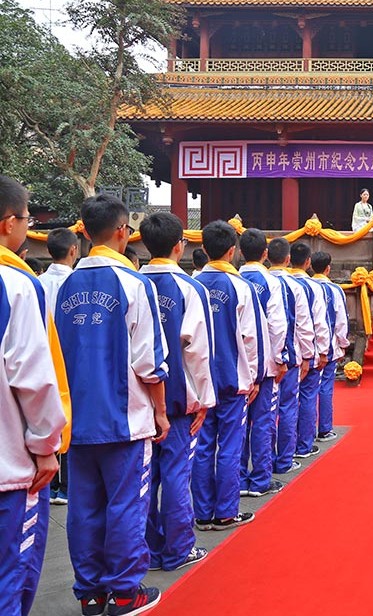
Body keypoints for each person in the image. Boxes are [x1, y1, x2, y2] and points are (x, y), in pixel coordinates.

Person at [55, 194, 169, 616]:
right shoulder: (134, 285)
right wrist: (159, 412)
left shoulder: (63, 285)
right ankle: (124, 591)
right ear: (123, 232)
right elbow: (150, 363)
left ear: (83, 231)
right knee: (125, 505)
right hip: (125, 419)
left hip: (77, 419)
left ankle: (89, 592)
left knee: (84, 506)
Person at [0, 175, 66, 616]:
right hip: (10, 465)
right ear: (9, 223)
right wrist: (47, 446)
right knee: (11, 575)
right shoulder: (17, 285)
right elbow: (33, 378)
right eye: (27, 219)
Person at [138, 212, 216, 572]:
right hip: (178, 398)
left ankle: (149, 546)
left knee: (143, 478)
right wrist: (204, 399)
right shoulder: (188, 288)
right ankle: (179, 546)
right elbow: (198, 351)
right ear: (178, 246)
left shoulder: (134, 282)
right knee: (175, 473)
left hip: (140, 400)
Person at [193, 220, 260, 531]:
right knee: (230, 445)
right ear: (232, 251)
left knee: (203, 445)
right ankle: (226, 511)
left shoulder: (191, 283)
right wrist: (255, 377)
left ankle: (202, 511)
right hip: (232, 379)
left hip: (198, 381)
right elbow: (250, 338)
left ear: (204, 249)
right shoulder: (240, 288)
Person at [238, 229, 289, 497]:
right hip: (264, 366)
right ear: (265, 253)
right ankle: (260, 478)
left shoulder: (233, 279)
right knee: (262, 421)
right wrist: (280, 359)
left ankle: (238, 478)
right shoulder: (270, 282)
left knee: (237, 426)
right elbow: (277, 327)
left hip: (235, 366)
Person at [38, 227, 78, 506]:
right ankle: (64, 484)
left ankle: (49, 483)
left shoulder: (36, 282)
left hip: (42, 359)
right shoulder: (77, 282)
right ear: (73, 250)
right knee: (68, 421)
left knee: (46, 417)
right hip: (68, 358)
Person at [267, 238, 314, 474]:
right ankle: (284, 459)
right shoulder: (297, 287)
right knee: (287, 406)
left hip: (260, 361)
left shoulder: (254, 282)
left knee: (265, 413)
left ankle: (263, 464)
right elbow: (304, 325)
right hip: (290, 356)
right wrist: (308, 355)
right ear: (287, 259)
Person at [288, 243, 331, 460]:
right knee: (306, 396)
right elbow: (317, 323)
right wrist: (321, 351)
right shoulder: (314, 287)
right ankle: (303, 445)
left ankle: (284, 450)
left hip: (282, 354)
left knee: (285, 403)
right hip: (306, 351)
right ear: (308, 262)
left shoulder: (280, 283)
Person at [310, 251, 350, 442]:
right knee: (325, 386)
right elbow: (341, 321)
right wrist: (343, 344)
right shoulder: (334, 290)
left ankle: (305, 434)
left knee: (306, 391)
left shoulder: (305, 286)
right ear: (328, 268)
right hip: (329, 346)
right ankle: (324, 428)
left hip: (306, 347)